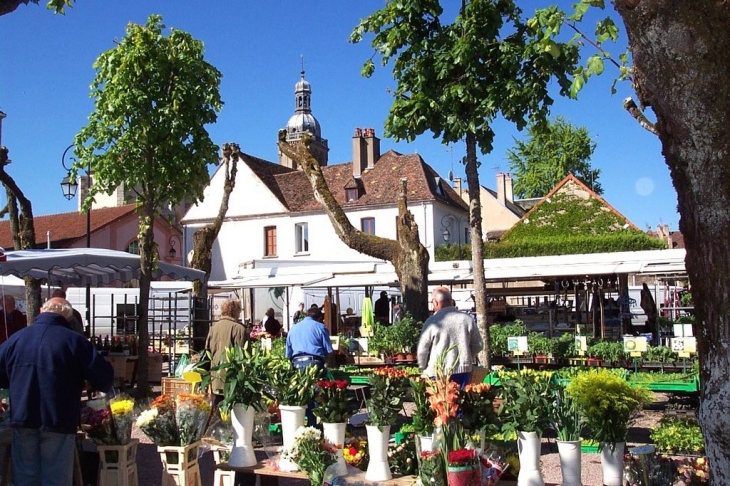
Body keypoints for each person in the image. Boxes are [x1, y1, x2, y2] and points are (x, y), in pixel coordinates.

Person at [0, 297, 114, 486]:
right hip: (58, 418)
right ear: (68, 318)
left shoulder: (18, 338)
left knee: (25, 477)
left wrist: (14, 380)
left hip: (23, 416)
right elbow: (104, 378)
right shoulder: (74, 341)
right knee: (55, 478)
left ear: (41, 311)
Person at [417, 287, 483, 388]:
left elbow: (422, 350)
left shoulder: (432, 321)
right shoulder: (467, 319)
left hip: (438, 371)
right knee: (460, 401)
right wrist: (466, 356)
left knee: (440, 402)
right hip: (463, 371)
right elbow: (478, 345)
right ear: (451, 301)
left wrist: (422, 367)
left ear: (436, 303)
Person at [285, 306, 334, 427]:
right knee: (316, 393)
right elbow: (329, 350)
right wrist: (331, 363)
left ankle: (303, 423)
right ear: (319, 317)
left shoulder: (293, 329)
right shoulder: (320, 327)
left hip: (296, 362)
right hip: (314, 362)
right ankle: (315, 424)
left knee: (302, 393)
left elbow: (288, 354)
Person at [205, 299, 249, 403]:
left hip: (216, 377)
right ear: (235, 311)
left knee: (218, 410)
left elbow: (207, 350)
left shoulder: (213, 328)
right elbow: (243, 355)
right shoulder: (239, 329)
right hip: (232, 379)